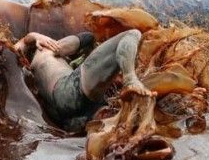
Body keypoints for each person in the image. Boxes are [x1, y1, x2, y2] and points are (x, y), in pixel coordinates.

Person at [13, 29, 152, 132]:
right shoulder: (47, 47)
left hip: (66, 116)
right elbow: (23, 43)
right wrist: (37, 35)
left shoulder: (31, 70)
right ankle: (130, 79)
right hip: (69, 91)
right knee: (132, 34)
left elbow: (13, 51)